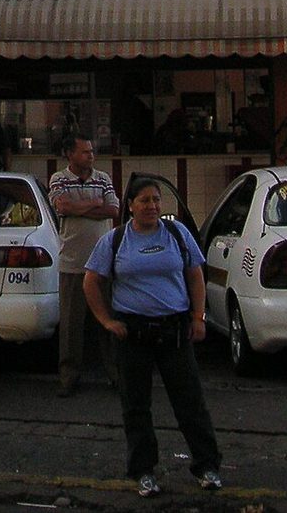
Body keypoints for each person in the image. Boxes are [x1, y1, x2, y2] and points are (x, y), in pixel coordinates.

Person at [82, 176, 224, 495]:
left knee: (190, 402)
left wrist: (198, 317)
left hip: (174, 330)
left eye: (156, 200)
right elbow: (91, 281)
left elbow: (195, 275)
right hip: (133, 333)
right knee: (136, 405)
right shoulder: (115, 240)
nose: (152, 206)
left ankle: (207, 466)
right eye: (144, 200)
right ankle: (143, 471)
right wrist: (106, 321)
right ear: (131, 205)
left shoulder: (177, 233)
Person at [48, 135, 119, 396]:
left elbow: (113, 210)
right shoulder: (59, 179)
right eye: (85, 152)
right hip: (73, 263)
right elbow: (62, 206)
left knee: (108, 320)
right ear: (70, 154)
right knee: (71, 325)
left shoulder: (103, 178)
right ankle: (69, 377)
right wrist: (94, 203)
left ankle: (116, 374)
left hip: (103, 264)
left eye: (91, 151)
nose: (90, 156)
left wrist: (80, 208)